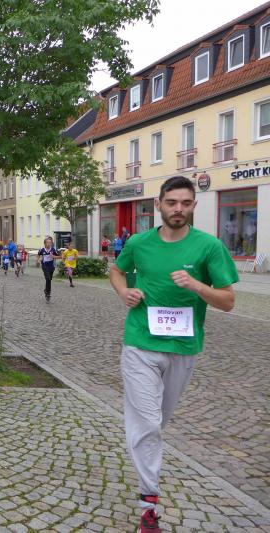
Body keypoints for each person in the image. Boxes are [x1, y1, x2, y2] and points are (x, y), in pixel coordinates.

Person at [109, 176, 237, 533]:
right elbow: (117, 270)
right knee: (148, 423)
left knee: (157, 423)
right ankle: (148, 504)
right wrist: (123, 292)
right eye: (171, 202)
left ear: (194, 205)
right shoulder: (139, 242)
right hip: (140, 343)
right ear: (159, 204)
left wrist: (196, 285)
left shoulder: (209, 247)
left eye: (185, 203)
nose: (178, 209)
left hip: (183, 348)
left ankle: (143, 452)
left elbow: (228, 300)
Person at [36, 236, 60, 302]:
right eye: (47, 242)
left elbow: (60, 256)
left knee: (49, 280)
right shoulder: (42, 250)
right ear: (45, 243)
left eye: (50, 243)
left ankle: (46, 290)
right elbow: (38, 255)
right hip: (45, 266)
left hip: (51, 267)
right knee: (48, 278)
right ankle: (48, 293)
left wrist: (53, 256)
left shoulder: (53, 250)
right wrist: (38, 261)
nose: (49, 244)